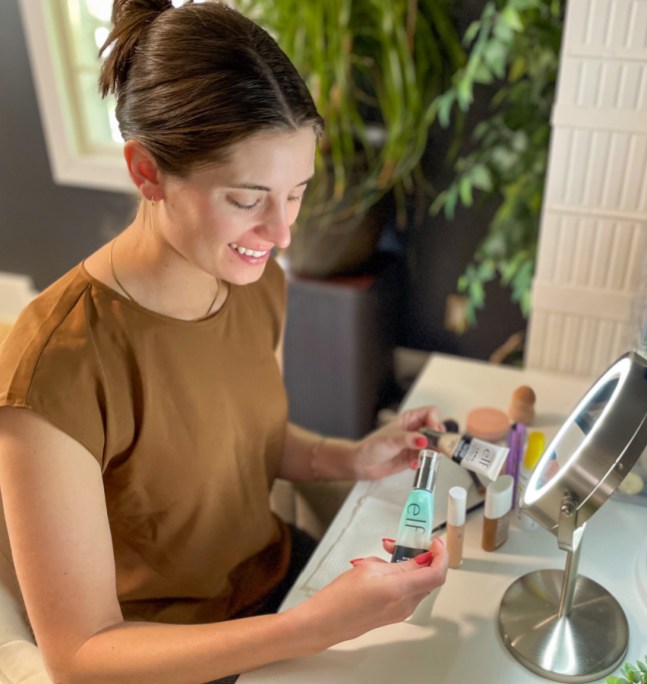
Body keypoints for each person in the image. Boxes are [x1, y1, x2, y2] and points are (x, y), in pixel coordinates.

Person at [0, 1, 448, 682]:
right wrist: (309, 628)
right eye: (247, 199)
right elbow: (79, 655)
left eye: (294, 192)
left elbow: (244, 444)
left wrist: (352, 457)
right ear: (147, 171)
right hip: (171, 657)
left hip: (277, 590)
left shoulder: (254, 280)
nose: (282, 232)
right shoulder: (53, 368)